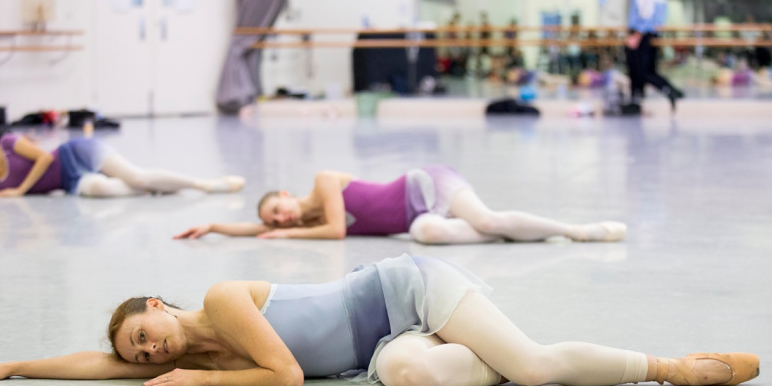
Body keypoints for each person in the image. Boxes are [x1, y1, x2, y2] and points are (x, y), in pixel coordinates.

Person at [0, 254, 760, 386]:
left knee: (537, 368)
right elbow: (97, 365)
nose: (146, 352)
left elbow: (287, 377)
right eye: (140, 355)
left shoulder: (222, 301)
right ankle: (490, 359)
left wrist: (195, 379)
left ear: (157, 305)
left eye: (142, 336)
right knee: (403, 376)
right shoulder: (201, 357)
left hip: (407, 291)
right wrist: (16, 366)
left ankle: (672, 367)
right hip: (385, 349)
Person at [173, 167, 627, 244]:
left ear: (286, 196)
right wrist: (213, 225)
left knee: (488, 219)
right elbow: (256, 231)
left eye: (278, 210)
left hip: (426, 186)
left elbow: (336, 231)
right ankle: (512, 236)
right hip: (417, 218)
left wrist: (286, 235)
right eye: (275, 219)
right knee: (426, 234)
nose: (280, 220)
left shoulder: (323, 182)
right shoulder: (304, 222)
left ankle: (575, 230)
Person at [0, 133, 245, 198]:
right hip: (69, 182)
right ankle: (158, 189)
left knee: (136, 177)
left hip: (76, 153)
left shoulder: (7, 144)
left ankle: (204, 184)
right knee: (102, 189)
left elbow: (44, 157)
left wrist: (21, 190)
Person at [625, 0, 684, 111]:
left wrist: (636, 36)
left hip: (642, 34)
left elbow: (646, 15)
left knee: (639, 71)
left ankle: (644, 97)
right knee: (648, 70)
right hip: (652, 34)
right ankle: (669, 90)